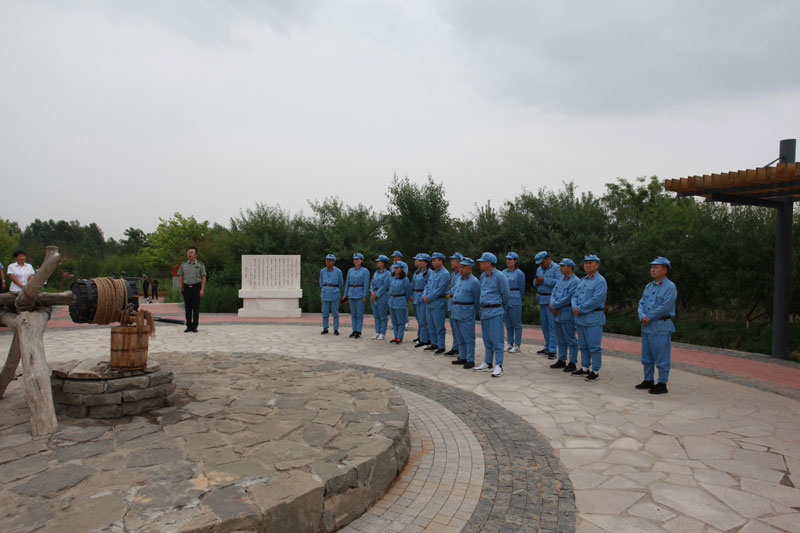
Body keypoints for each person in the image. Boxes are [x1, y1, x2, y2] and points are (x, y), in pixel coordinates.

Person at [637, 257, 677, 395]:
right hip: (647, 326)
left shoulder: (670, 287)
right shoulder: (649, 286)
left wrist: (649, 317)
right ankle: (648, 379)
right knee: (646, 356)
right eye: (652, 267)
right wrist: (642, 316)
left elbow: (665, 306)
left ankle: (662, 383)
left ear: (664, 270)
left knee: (661, 356)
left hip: (660, 326)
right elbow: (641, 303)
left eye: (656, 267)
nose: (652, 270)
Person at [570, 254, 607, 382]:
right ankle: (585, 367)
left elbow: (596, 300)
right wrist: (574, 306)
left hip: (593, 317)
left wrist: (580, 308)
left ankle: (595, 371)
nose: (588, 265)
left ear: (597, 265)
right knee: (583, 345)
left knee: (594, 346)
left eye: (591, 263)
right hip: (581, 318)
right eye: (586, 263)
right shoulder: (583, 280)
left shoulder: (600, 281)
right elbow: (575, 296)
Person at [474, 252, 511, 377]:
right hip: (484, 311)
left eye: (482, 262)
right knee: (487, 338)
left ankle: (499, 365)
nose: (480, 264)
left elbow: (506, 295)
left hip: (495, 310)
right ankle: (487, 362)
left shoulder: (500, 276)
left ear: (488, 263)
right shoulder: (483, 276)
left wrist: (499, 307)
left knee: (497, 339)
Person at [549, 258, 580, 372]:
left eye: (563, 266)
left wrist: (554, 305)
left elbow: (569, 297)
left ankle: (572, 362)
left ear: (570, 267)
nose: (560, 268)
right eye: (560, 266)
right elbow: (553, 293)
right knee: (560, 339)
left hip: (567, 313)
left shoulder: (575, 281)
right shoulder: (561, 279)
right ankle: (561, 359)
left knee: (571, 339)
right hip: (557, 313)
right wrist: (552, 303)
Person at [450, 257, 481, 369]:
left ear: (470, 269)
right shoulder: (459, 279)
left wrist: (473, 311)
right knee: (459, 336)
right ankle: (462, 357)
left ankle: (470, 359)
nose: (461, 269)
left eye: (464, 267)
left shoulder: (474, 281)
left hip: (467, 311)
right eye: (460, 267)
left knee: (468, 337)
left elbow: (477, 299)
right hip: (456, 310)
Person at [534, 251, 560, 358]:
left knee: (552, 326)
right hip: (541, 299)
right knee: (544, 325)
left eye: (542, 262)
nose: (541, 265)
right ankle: (547, 346)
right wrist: (536, 282)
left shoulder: (557, 268)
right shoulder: (539, 269)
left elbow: (559, 283)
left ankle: (553, 349)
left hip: (551, 299)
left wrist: (544, 280)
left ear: (548, 259)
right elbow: (536, 281)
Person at [423, 252, 450, 354]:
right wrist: (424, 295)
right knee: (430, 325)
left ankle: (441, 346)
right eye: (432, 260)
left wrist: (428, 297)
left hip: (438, 302)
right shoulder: (433, 273)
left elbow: (440, 290)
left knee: (439, 326)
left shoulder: (445, 274)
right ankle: (434, 343)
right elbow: (427, 285)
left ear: (441, 261)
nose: (433, 262)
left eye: (435, 260)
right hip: (429, 302)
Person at [177, 246, 207, 333]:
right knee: (187, 308)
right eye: (188, 252)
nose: (189, 254)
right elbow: (181, 276)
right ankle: (188, 326)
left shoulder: (200, 265)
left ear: (196, 255)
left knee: (196, 308)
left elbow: (203, 277)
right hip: (186, 287)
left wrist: (202, 289)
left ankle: (195, 326)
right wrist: (181, 288)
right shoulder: (183, 265)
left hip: (196, 287)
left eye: (191, 253)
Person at [502, 252, 526, 353]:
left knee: (516, 323)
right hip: (505, 299)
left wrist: (518, 298)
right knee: (508, 323)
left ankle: (517, 344)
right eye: (507, 259)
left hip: (515, 298)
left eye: (510, 259)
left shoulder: (519, 273)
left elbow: (522, 288)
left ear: (515, 261)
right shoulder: (503, 272)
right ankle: (509, 343)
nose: (508, 261)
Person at [344, 253, 370, 338]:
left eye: (358, 259)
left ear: (361, 260)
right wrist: (345, 294)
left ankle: (358, 331)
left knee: (359, 314)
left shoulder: (365, 271)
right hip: (351, 293)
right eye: (354, 259)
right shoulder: (350, 270)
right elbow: (347, 283)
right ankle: (354, 330)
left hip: (360, 293)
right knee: (353, 314)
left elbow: (366, 284)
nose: (356, 261)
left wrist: (364, 295)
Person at [444, 252, 464, 356]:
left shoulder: (462, 274)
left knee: (459, 328)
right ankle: (455, 347)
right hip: (452, 302)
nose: (451, 262)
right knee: (454, 327)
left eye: (453, 260)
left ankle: (460, 348)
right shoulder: (453, 274)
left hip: (458, 303)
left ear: (459, 262)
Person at [319, 254, 343, 335]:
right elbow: (321, 283)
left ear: (333, 261)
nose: (328, 262)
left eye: (330, 260)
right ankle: (325, 328)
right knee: (324, 312)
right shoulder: (322, 271)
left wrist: (334, 289)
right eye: (327, 260)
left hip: (334, 293)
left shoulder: (338, 271)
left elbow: (340, 284)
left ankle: (336, 329)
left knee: (335, 313)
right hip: (325, 293)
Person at [389, 262, 412, 343]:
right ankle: (395, 336)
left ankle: (400, 336)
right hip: (392, 300)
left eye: (397, 268)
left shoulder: (405, 279)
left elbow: (408, 291)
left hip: (400, 300)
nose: (395, 269)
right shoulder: (392, 278)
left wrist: (404, 300)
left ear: (401, 269)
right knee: (394, 321)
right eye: (394, 268)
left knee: (401, 321)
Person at [411, 254, 431, 347]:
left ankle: (425, 340)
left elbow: (428, 285)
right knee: (419, 319)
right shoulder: (418, 272)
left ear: (426, 263)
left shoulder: (429, 272)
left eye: (422, 261)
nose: (420, 262)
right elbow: (413, 284)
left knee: (423, 320)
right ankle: (420, 336)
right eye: (419, 261)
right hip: (416, 296)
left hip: (423, 296)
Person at [370, 255, 392, 340]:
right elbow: (372, 282)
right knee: (376, 315)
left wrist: (376, 294)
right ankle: (377, 332)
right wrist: (372, 291)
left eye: (378, 261)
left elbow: (385, 285)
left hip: (382, 296)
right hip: (374, 295)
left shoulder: (387, 273)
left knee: (382, 315)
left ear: (383, 263)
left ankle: (382, 333)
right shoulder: (376, 273)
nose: (377, 263)